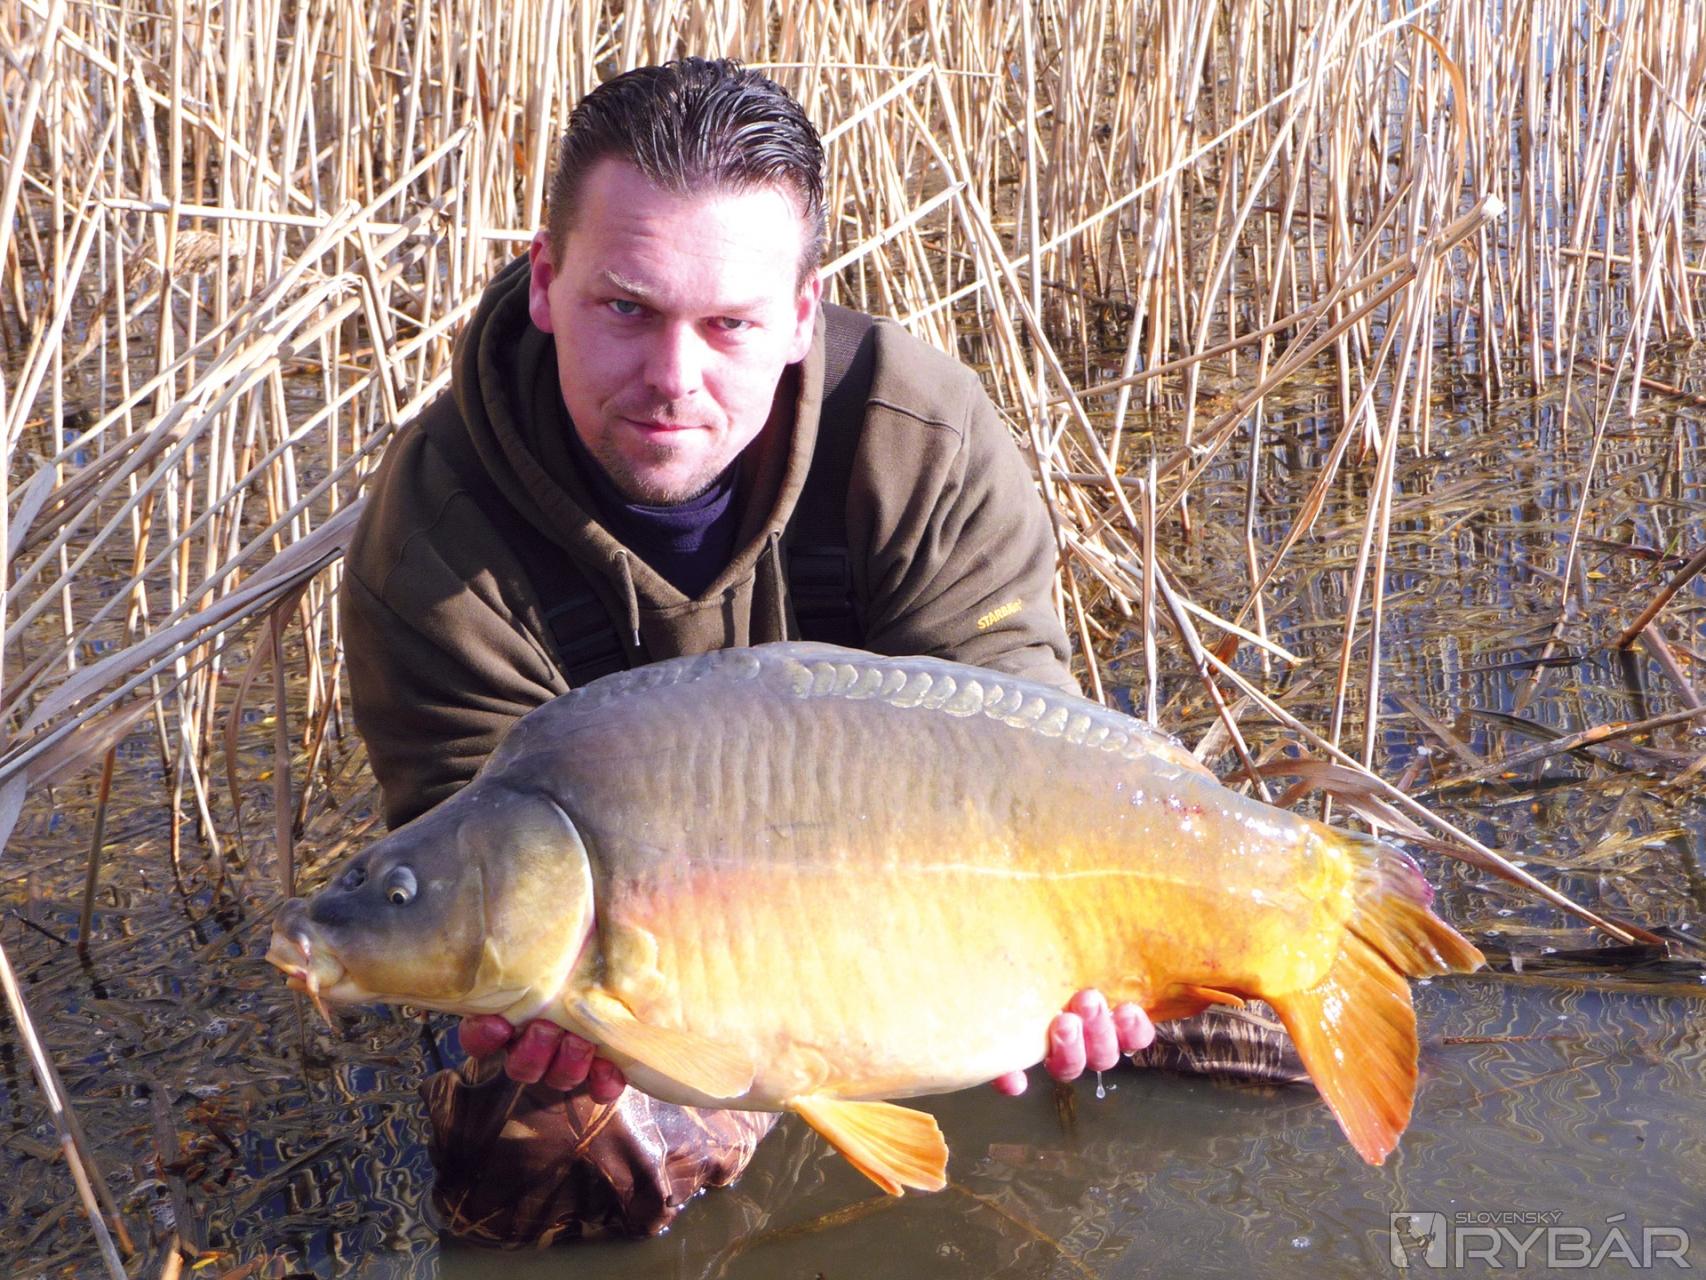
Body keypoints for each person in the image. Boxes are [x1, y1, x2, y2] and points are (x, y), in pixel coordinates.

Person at [341, 57, 1154, 1242]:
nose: (673, 378)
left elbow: (1018, 735)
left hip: (937, 932)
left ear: (800, 313)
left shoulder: (916, 437)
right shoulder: (435, 537)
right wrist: (553, 1017)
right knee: (537, 1145)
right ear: (545, 281)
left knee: (1260, 997)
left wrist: (1087, 961)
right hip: (662, 992)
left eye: (728, 323)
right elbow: (471, 867)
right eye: (627, 308)